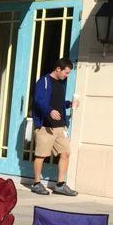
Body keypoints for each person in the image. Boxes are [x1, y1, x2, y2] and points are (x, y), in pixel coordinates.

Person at [30, 57, 78, 196]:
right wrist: (49, 111)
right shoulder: (43, 81)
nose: (66, 75)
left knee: (66, 153)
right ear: (58, 69)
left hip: (60, 127)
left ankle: (60, 185)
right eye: (66, 72)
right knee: (41, 155)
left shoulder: (60, 84)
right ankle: (37, 183)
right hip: (45, 126)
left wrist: (69, 104)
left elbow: (57, 102)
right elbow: (38, 101)